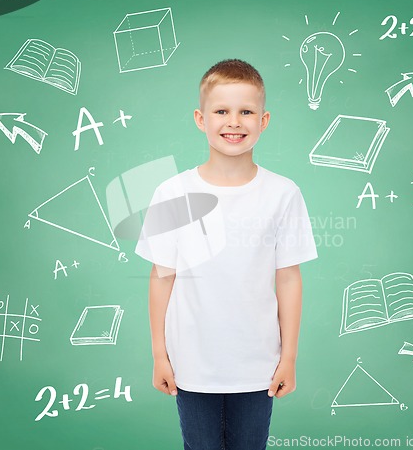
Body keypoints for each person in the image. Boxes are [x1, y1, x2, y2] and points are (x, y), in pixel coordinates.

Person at [135, 59, 318, 450]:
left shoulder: (283, 193)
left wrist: (289, 357)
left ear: (264, 120)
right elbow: (161, 275)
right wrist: (159, 354)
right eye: (222, 111)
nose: (234, 122)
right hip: (191, 363)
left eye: (246, 112)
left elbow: (288, 278)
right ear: (201, 118)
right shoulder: (173, 192)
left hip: (258, 365)